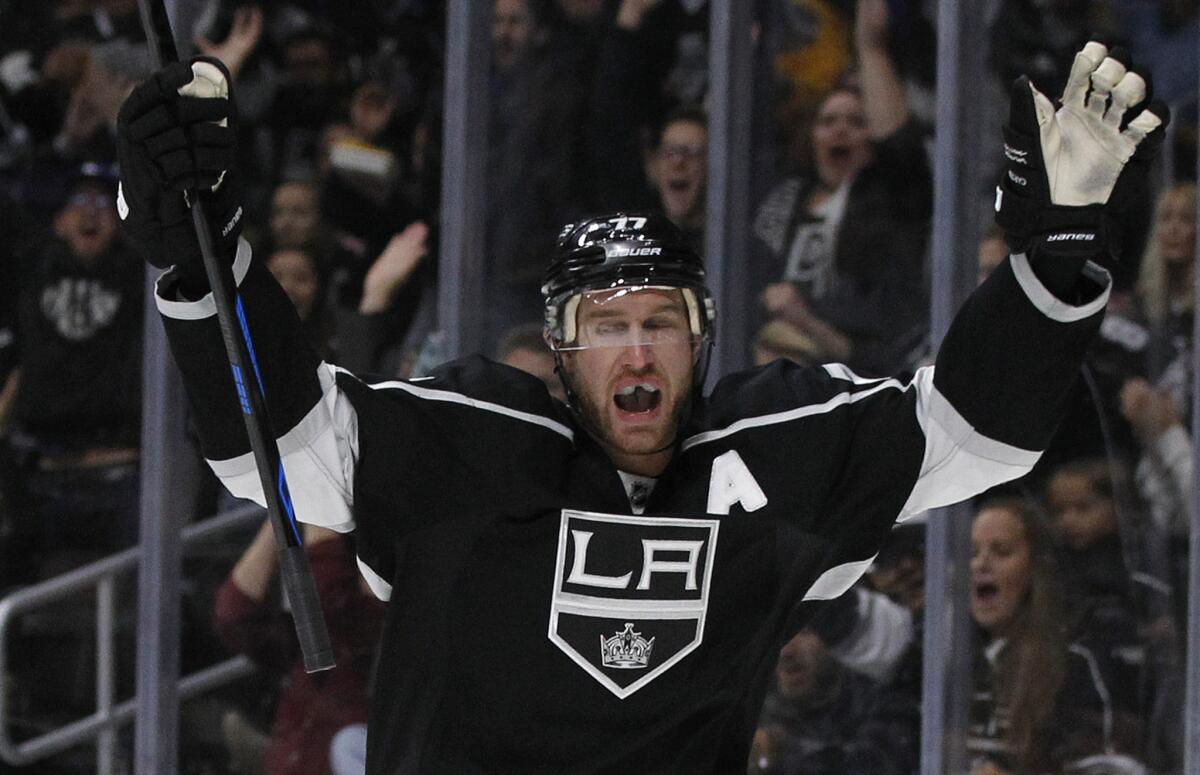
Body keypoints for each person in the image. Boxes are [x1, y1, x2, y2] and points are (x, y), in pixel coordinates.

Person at [115, 44, 1167, 772]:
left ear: (701, 337)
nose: (635, 345)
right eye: (603, 322)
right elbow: (280, 451)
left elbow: (973, 435)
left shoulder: (779, 450)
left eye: (660, 319)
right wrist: (199, 255)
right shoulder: (474, 440)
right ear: (560, 346)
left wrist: (1053, 270)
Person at [967, 497, 1136, 775]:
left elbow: (1113, 766)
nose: (980, 564)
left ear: (1037, 567)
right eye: (971, 552)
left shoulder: (1075, 663)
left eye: (1002, 551)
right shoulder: (945, 658)